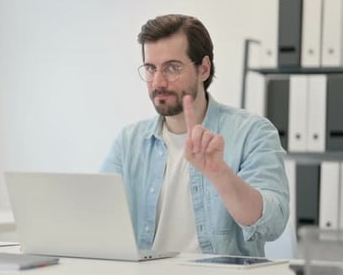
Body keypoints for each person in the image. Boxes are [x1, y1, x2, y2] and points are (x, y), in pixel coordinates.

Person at [100, 14, 289, 257]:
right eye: (150, 68)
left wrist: (220, 175)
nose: (158, 81)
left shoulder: (253, 132)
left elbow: (273, 224)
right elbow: (98, 216)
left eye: (172, 68)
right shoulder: (129, 142)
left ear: (204, 68)